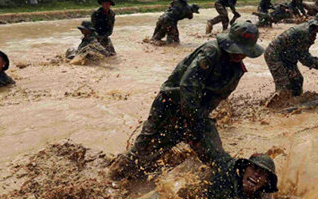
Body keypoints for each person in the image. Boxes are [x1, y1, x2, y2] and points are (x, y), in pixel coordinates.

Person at [110, 19, 264, 178]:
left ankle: (229, 181)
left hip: (197, 113)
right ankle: (112, 178)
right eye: (237, 49)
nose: (240, 54)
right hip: (170, 103)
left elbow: (217, 98)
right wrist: (193, 119)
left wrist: (199, 123)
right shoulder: (211, 53)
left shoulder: (236, 70)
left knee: (216, 155)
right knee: (145, 148)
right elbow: (189, 86)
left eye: (244, 51)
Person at [264, 12, 318, 97]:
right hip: (274, 55)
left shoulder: (311, 32)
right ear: (317, 25)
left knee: (297, 80)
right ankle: (275, 106)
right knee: (284, 84)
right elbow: (305, 59)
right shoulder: (304, 33)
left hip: (288, 56)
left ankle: (294, 100)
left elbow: (302, 53)